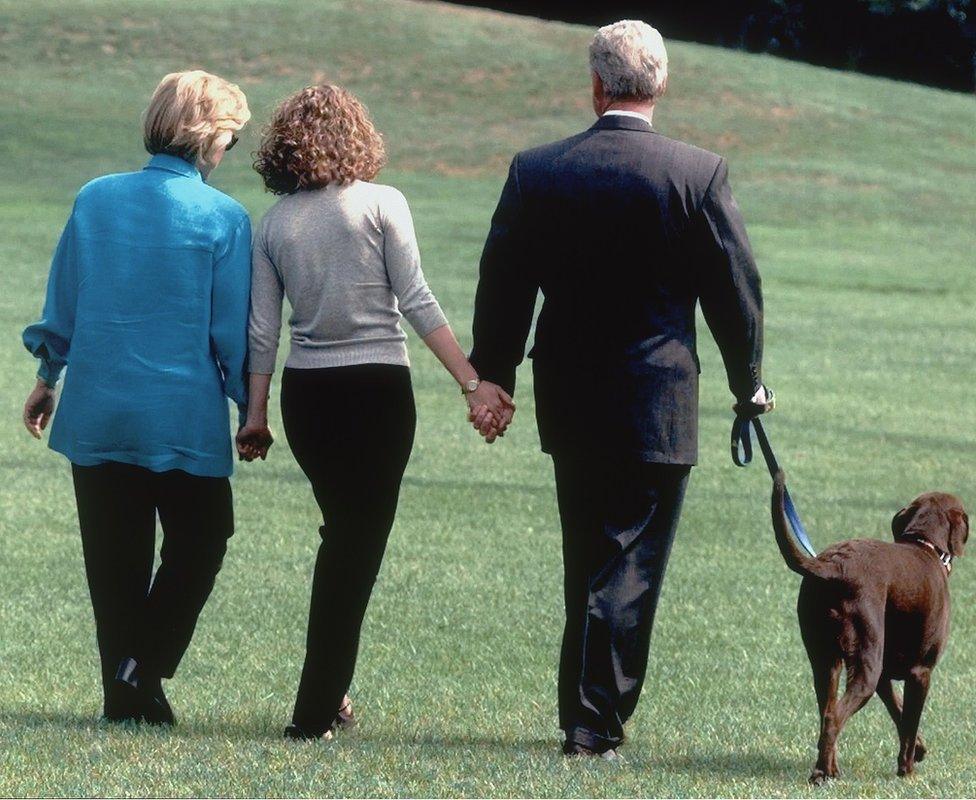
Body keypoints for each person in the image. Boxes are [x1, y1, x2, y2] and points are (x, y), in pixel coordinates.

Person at [467, 20, 773, 758]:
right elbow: (736, 293)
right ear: (660, 84)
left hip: (568, 394)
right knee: (630, 564)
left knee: (589, 557)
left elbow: (502, 284)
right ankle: (594, 721)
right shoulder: (697, 173)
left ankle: (582, 710)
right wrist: (748, 384)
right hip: (658, 396)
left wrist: (495, 377)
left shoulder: (537, 170)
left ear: (597, 84)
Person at [237, 84, 513, 740]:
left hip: (308, 399)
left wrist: (255, 415)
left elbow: (261, 331)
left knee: (345, 537)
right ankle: (312, 714)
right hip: (377, 394)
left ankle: (330, 697)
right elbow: (415, 298)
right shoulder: (382, 203)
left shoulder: (272, 224)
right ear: (357, 137)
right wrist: (473, 383)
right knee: (354, 547)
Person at [21, 70, 253, 725]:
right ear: (210, 138)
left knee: (113, 564)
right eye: (230, 139)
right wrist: (249, 407)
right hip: (180, 416)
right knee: (204, 540)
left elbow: (65, 299)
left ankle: (125, 694)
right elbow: (230, 332)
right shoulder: (225, 217)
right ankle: (140, 667)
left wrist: (47, 379)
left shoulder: (95, 198)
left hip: (97, 408)